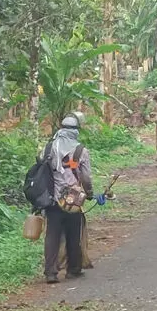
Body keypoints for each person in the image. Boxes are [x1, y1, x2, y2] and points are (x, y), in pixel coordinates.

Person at [42, 114, 105, 284]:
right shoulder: (80, 151)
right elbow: (86, 177)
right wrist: (90, 194)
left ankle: (51, 272)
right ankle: (73, 269)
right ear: (76, 131)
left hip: (53, 199)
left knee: (52, 235)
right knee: (73, 233)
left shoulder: (48, 148)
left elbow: (42, 167)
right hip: (73, 200)